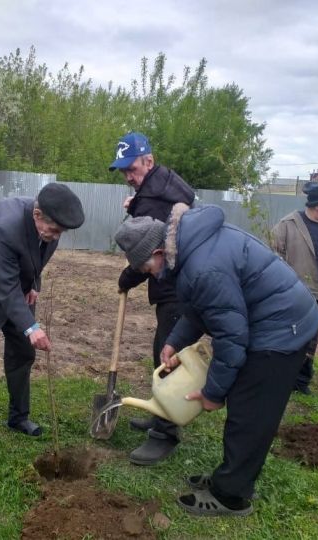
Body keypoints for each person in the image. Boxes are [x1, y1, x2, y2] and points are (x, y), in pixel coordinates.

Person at [114, 204, 318, 516]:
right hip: (271, 320)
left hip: (282, 329)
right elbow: (203, 307)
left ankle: (230, 496)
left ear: (159, 251)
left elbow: (231, 337)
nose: (151, 276)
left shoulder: (201, 267)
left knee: (250, 412)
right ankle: (230, 479)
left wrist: (213, 393)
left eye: (148, 269)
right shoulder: (191, 247)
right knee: (245, 405)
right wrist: (175, 341)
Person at [0, 183, 85, 454]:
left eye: (61, 231)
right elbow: (5, 288)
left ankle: (18, 417)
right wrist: (31, 327)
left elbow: (37, 258)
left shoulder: (50, 223)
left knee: (23, 355)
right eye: (55, 230)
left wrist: (34, 283)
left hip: (19, 295)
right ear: (38, 215)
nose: (57, 236)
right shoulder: (6, 225)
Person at [108, 131, 196, 466]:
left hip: (175, 286)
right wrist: (139, 199)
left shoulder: (156, 197)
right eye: (124, 172)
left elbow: (151, 247)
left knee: (168, 357)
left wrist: (127, 277)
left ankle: (164, 434)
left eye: (132, 169)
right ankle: (160, 413)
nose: (129, 177)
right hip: (174, 286)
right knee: (161, 351)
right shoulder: (162, 186)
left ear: (150, 160)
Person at [271, 182, 318, 395]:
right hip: (293, 296)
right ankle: (280, 378)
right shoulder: (286, 226)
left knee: (311, 339)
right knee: (288, 338)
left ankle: (301, 381)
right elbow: (272, 262)